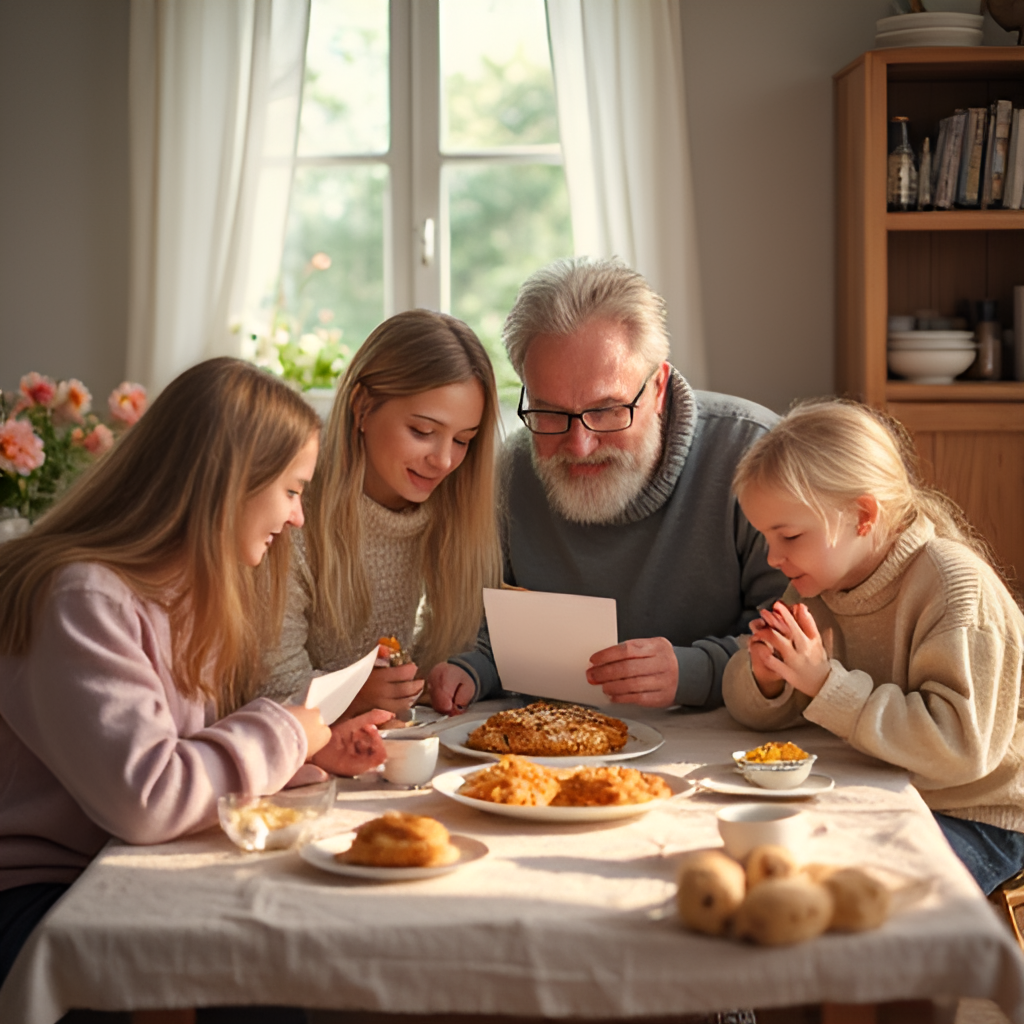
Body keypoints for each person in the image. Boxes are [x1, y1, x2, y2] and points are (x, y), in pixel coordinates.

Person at [0, 358, 392, 992]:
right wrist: (285, 730)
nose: (296, 518)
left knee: (294, 946)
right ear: (230, 482)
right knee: (261, 967)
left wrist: (304, 752)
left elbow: (176, 757)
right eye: (292, 491)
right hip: (42, 898)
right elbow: (149, 798)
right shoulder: (83, 599)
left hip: (120, 866)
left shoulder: (175, 595)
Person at [428, 257, 787, 714]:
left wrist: (696, 670)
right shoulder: (511, 472)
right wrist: (469, 669)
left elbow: (803, 636)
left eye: (607, 410)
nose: (579, 445)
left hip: (724, 739)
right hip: (555, 743)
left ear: (657, 388)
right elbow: (491, 632)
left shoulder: (754, 455)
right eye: (551, 412)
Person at [722, 398, 1024, 895]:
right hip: (880, 788)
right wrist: (770, 679)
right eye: (765, 539)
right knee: (759, 861)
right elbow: (770, 710)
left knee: (847, 897)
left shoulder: (953, 586)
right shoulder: (816, 582)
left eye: (790, 535)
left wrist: (824, 684)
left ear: (862, 515)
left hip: (977, 814)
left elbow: (960, 751)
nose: (774, 558)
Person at [260, 310, 502, 716]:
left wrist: (444, 675)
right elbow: (267, 683)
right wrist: (352, 694)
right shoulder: (292, 511)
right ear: (362, 407)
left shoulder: (454, 511)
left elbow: (437, 660)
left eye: (463, 440)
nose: (444, 461)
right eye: (423, 432)